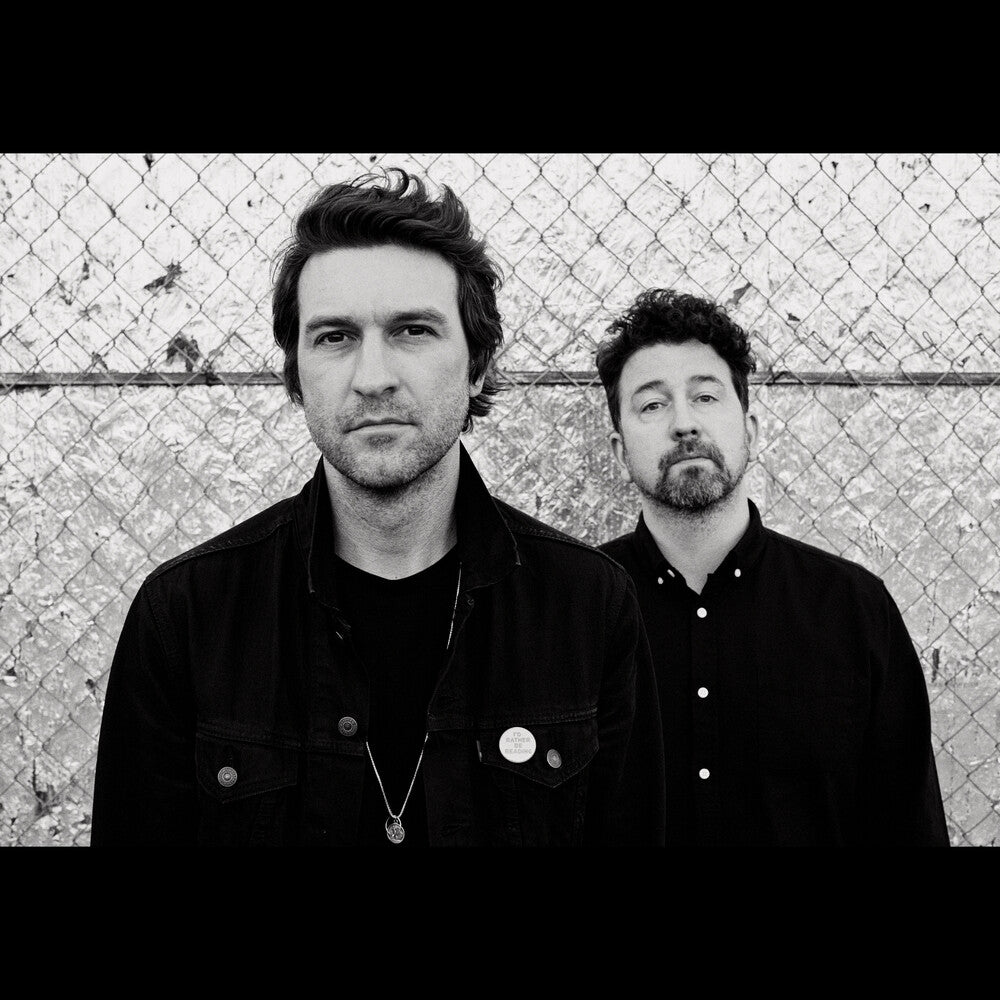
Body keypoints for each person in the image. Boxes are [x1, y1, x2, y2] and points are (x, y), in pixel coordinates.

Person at [91, 169, 664, 846]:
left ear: (478, 364)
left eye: (412, 330)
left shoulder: (588, 608)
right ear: (296, 374)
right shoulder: (186, 619)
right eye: (335, 337)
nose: (372, 378)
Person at [595, 288, 948, 846]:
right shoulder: (572, 611)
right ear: (619, 453)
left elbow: (908, 826)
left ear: (751, 432)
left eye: (705, 396)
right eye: (653, 405)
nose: (684, 423)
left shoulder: (854, 610)